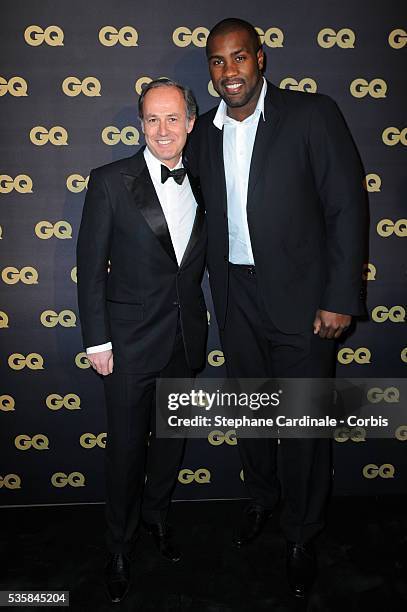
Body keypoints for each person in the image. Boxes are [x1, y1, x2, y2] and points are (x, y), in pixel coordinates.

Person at [186, 18, 367, 599]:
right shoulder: (204, 133)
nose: (228, 71)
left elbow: (346, 207)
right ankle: (262, 499)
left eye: (239, 58)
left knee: (304, 422)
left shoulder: (312, 115)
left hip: (304, 302)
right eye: (217, 61)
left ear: (260, 60)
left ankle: (302, 531)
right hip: (236, 297)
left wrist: (339, 298)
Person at [76, 78, 207, 603]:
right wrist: (97, 341)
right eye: (151, 119)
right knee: (126, 452)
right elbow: (90, 272)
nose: (162, 130)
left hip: (182, 337)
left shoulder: (204, 179)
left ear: (191, 122)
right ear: (140, 124)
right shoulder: (110, 181)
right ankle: (119, 545)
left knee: (169, 446)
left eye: (173, 118)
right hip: (126, 345)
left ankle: (155, 520)